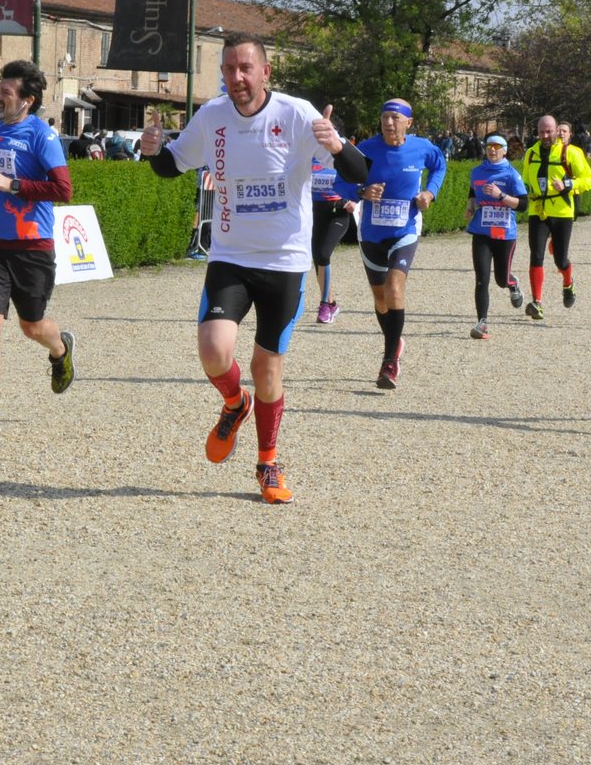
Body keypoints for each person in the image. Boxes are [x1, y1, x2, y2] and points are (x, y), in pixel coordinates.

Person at [140, 31, 366, 503]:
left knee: (267, 366)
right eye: (228, 69)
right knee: (213, 351)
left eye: (246, 68)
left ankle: (267, 463)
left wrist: (338, 146)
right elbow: (170, 166)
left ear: (266, 72)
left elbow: (360, 174)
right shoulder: (213, 116)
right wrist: (152, 150)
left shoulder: (297, 113)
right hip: (230, 256)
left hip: (284, 262)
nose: (237, 78)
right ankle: (233, 402)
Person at [0, 59, 76, 436]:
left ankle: (60, 348)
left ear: (27, 100)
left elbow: (63, 190)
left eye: (7, 92)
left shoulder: (40, 135)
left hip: (32, 246)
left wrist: (13, 186)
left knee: (32, 327)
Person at [354, 98, 448, 386]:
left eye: (395, 117)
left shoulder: (422, 147)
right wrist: (362, 190)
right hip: (371, 233)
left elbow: (439, 166)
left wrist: (430, 193)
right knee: (380, 299)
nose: (389, 123)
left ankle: (389, 362)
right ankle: (395, 342)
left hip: (405, 229)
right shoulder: (366, 149)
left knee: (395, 286)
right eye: (384, 117)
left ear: (409, 121)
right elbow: (339, 180)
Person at [518, 115, 591, 319]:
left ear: (556, 131)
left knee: (561, 260)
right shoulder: (531, 153)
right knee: (536, 255)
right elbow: (524, 179)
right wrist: (523, 192)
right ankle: (537, 302)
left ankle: (568, 283)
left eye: (549, 131)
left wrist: (568, 185)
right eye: (541, 132)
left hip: (562, 212)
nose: (545, 136)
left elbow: (588, 180)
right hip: (537, 210)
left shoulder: (571, 153)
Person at [464, 134, 528, 340]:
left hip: (504, 233)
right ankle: (482, 323)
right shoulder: (477, 171)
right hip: (482, 232)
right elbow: (473, 191)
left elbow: (524, 205)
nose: (492, 150)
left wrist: (501, 195)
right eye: (489, 146)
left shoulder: (511, 175)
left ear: (504, 150)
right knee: (481, 279)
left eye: (496, 146)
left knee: (501, 279)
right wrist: (470, 204)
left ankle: (512, 283)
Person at [309, 154, 357, 324]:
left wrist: (354, 198)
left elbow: (361, 176)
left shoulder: (341, 159)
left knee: (323, 254)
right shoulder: (307, 157)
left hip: (338, 214)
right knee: (318, 259)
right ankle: (331, 304)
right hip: (314, 214)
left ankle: (323, 305)